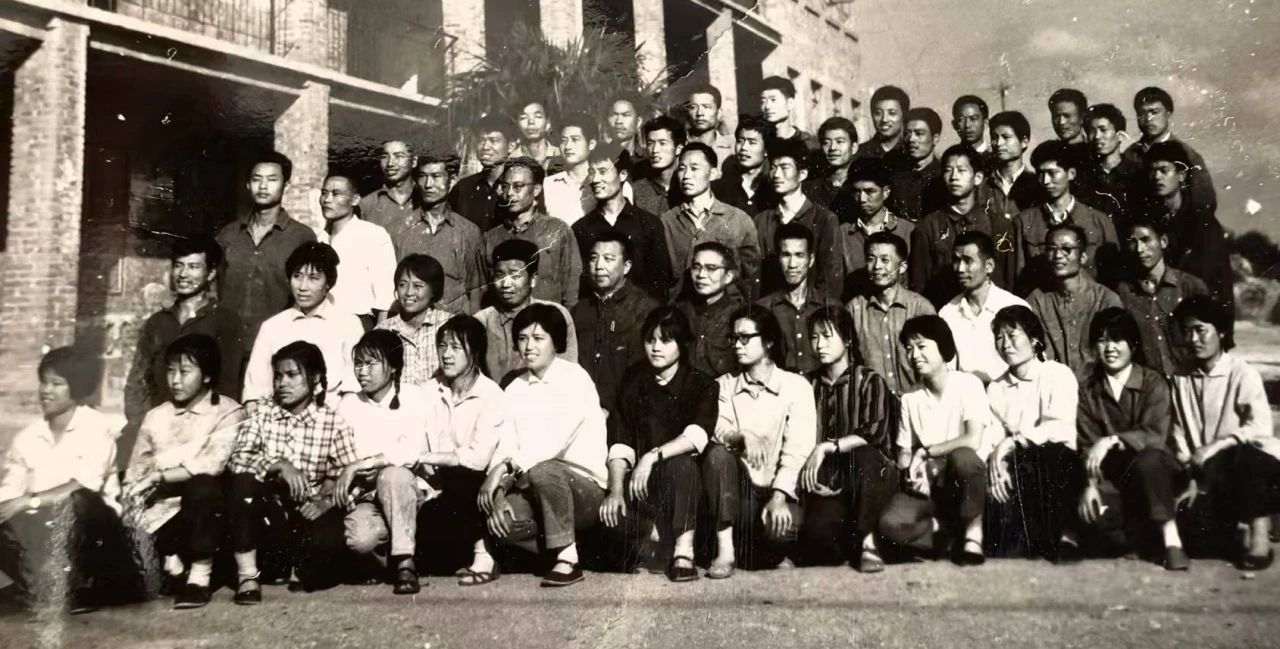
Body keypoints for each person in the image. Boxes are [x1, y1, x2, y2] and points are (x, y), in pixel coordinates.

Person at [480, 304, 609, 588]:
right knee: (501, 523)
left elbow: (551, 442)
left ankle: (567, 558)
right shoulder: (514, 388)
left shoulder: (575, 378)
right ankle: (568, 544)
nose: (529, 346)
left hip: (582, 490)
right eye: (523, 338)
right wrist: (499, 491)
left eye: (538, 338)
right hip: (533, 489)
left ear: (556, 342)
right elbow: (505, 445)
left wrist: (503, 468)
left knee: (544, 470)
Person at [225, 341, 360, 602]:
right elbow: (238, 459)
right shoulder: (263, 412)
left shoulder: (332, 422)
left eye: (292, 375)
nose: (282, 383)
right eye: (278, 376)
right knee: (243, 485)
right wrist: (279, 465)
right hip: (268, 511)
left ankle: (296, 565)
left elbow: (349, 476)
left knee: (319, 561)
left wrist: (326, 501)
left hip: (307, 510)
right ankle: (248, 576)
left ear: (315, 378)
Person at [0, 348, 133, 613]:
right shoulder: (27, 437)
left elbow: (84, 485)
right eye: (43, 382)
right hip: (43, 532)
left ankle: (87, 584)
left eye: (56, 384)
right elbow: (10, 490)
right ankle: (41, 585)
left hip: (96, 533)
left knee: (80, 501)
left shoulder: (96, 427)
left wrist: (28, 501)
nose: (46, 391)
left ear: (77, 387)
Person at [123, 335, 246, 609]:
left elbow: (212, 464)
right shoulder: (156, 416)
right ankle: (171, 565)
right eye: (170, 371)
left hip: (206, 512)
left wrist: (158, 476)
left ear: (207, 375)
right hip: (161, 514)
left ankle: (199, 578)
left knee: (203, 486)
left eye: (184, 371)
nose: (175, 380)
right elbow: (137, 470)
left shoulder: (228, 412)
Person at [599, 307, 718, 582]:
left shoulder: (701, 384)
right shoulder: (634, 380)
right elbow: (620, 440)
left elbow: (696, 436)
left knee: (681, 464)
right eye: (650, 340)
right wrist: (615, 491)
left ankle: (683, 552)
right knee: (607, 524)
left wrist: (651, 457)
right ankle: (655, 535)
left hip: (686, 489)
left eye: (666, 340)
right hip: (642, 487)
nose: (655, 348)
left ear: (682, 344)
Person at [702, 306, 816, 578]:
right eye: (734, 338)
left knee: (783, 529)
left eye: (745, 337)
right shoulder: (724, 385)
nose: (737, 345)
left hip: (778, 491)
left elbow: (798, 449)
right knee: (717, 454)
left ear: (768, 341)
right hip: (737, 495)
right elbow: (716, 427)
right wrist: (741, 435)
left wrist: (779, 497)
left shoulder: (796, 386)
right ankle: (726, 551)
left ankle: (766, 550)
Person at [1169, 296, 1280, 570]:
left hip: (1246, 466)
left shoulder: (1242, 373)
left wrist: (1217, 446)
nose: (1193, 339)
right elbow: (1178, 430)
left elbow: (1260, 428)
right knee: (1197, 543)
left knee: (1246, 456)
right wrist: (1189, 472)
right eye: (1187, 331)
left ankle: (1260, 530)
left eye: (1201, 330)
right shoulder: (1181, 377)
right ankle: (1233, 524)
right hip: (1206, 473)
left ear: (1220, 332)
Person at [1076, 307, 1189, 570]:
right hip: (1114, 477)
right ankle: (1139, 535)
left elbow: (1155, 434)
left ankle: (1171, 538)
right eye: (1102, 341)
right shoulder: (1088, 389)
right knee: (1097, 521)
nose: (1110, 348)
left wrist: (1112, 440)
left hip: (1158, 472)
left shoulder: (1153, 382)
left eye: (1117, 340)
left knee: (1149, 461)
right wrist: (1089, 485)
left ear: (1133, 345)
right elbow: (1087, 443)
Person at [878, 316, 991, 566]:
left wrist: (926, 452)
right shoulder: (910, 397)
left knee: (964, 458)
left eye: (921, 346)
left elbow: (973, 439)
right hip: (930, 482)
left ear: (943, 347)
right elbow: (905, 451)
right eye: (909, 349)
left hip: (964, 479)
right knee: (890, 525)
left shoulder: (968, 384)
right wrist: (911, 474)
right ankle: (945, 531)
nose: (914, 355)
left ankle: (973, 533)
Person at [799, 306, 899, 572]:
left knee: (864, 455)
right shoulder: (808, 384)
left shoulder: (869, 380)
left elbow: (874, 432)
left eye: (827, 336)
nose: (820, 344)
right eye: (814, 337)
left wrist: (828, 447)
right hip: (828, 477)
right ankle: (848, 539)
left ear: (848, 340)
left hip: (869, 474)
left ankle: (868, 544)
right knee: (818, 538)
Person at [335, 330, 433, 594]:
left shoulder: (413, 396)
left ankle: (405, 563)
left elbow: (412, 450)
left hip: (406, 491)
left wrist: (363, 464)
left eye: (371, 364)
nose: (362, 371)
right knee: (360, 540)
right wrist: (356, 474)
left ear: (393, 367)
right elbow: (342, 454)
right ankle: (390, 560)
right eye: (358, 364)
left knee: (393, 474)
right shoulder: (349, 404)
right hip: (366, 495)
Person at [983, 306, 1083, 563]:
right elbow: (993, 437)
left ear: (1035, 340)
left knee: (1052, 454)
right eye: (999, 337)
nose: (1005, 344)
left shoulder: (1057, 374)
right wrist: (996, 465)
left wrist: (1013, 442)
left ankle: (1067, 537)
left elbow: (1059, 428)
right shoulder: (996, 388)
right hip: (1020, 465)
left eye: (1012, 336)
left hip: (1057, 464)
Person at [124, 236, 244, 434]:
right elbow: (137, 381)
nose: (183, 274)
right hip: (157, 428)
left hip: (203, 430)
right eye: (178, 265)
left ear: (211, 273)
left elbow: (228, 385)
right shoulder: (157, 323)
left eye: (193, 267)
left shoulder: (226, 322)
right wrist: (141, 425)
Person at [421, 315, 508, 585]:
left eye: (456, 347)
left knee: (464, 473)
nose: (446, 354)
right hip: (437, 489)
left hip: (476, 487)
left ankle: (485, 556)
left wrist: (429, 457)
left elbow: (478, 458)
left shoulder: (491, 394)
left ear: (475, 351)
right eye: (442, 346)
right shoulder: (428, 391)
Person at [242, 242, 363, 412]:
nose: (302, 287)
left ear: (328, 283)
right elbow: (255, 391)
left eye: (313, 278)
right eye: (297, 276)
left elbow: (353, 387)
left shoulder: (348, 324)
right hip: (280, 416)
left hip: (332, 415)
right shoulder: (272, 327)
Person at [215, 151, 317, 352]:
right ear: (247, 185)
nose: (263, 186)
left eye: (272, 179)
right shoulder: (228, 235)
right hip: (227, 345)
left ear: (286, 185)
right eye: (256, 179)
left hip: (278, 345)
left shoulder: (301, 237)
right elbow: (214, 286)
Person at [910, 145, 1015, 307]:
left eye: (961, 170)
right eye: (948, 170)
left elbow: (1008, 279)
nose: (954, 177)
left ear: (977, 178)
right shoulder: (928, 226)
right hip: (943, 311)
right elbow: (920, 283)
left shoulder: (998, 224)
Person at [1014, 140, 1120, 293]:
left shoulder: (1099, 221)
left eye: (1052, 173)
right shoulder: (1024, 221)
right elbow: (1019, 275)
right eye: (1040, 174)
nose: (1045, 181)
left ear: (1071, 174)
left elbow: (1113, 279)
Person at [571, 231, 660, 414]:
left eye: (608, 259)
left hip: (626, 413)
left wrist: (612, 411)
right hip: (582, 410)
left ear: (626, 266)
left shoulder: (645, 309)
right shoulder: (580, 310)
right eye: (593, 258)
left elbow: (644, 372)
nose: (599, 266)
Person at [1140, 141, 1234, 312]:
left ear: (1181, 175)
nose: (1157, 176)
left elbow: (1218, 282)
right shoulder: (1146, 222)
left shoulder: (1204, 224)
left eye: (1164, 170)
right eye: (1152, 171)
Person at [573, 143, 673, 300]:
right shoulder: (581, 228)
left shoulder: (649, 224)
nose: (595, 179)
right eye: (592, 172)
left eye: (603, 171)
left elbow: (659, 285)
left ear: (622, 175)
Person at [662, 143, 761, 296]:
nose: (686, 176)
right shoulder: (666, 222)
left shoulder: (738, 220)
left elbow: (751, 278)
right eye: (682, 169)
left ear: (713, 173)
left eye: (694, 168)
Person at [1114, 216, 1209, 377]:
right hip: (1149, 385)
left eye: (1145, 240)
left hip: (1190, 380)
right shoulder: (1123, 293)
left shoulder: (1191, 287)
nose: (1139, 249)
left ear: (1163, 241)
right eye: (1132, 242)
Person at [473, 239, 578, 383]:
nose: (506, 284)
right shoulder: (481, 321)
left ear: (533, 279)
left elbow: (568, 371)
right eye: (499, 275)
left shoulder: (556, 314)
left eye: (515, 276)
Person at [484, 156, 583, 308]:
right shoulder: (490, 238)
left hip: (548, 321)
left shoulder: (558, 231)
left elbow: (572, 292)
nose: (509, 193)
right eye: (505, 186)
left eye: (518, 186)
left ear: (536, 189)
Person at [1026, 224, 1123, 377]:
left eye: (1066, 249)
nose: (1058, 255)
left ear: (1083, 257)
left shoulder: (1106, 300)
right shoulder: (1036, 301)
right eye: (1051, 249)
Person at [394, 153, 486, 314]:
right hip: (410, 321)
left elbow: (476, 290)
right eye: (423, 176)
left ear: (453, 179)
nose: (428, 184)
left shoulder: (468, 231)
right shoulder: (400, 229)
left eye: (436, 176)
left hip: (453, 323)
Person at [847, 232, 936, 395]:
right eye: (871, 259)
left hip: (915, 401)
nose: (877, 266)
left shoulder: (920, 308)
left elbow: (934, 364)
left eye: (885, 260)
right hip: (872, 405)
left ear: (902, 267)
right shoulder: (854, 310)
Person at [755, 138, 844, 301]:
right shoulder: (762, 220)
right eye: (773, 167)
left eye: (784, 167)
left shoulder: (825, 219)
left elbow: (831, 278)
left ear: (802, 174)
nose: (776, 175)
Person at [938, 231, 1029, 383]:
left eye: (968, 261)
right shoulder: (947, 313)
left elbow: (1030, 367)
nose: (960, 269)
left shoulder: (1016, 307)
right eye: (956, 260)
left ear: (989, 266)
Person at [755, 223, 841, 374]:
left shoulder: (830, 307)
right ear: (778, 258)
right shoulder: (763, 309)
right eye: (786, 255)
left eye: (799, 255)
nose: (792, 264)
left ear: (811, 260)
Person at [316, 173, 396, 328]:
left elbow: (386, 295)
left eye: (336, 194)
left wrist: (378, 335)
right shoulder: (318, 238)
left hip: (358, 325)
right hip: (320, 324)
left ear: (355, 200)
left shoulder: (373, 235)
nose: (327, 200)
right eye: (324, 193)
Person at [1124, 87, 1217, 216]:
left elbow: (1205, 203)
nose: (1148, 118)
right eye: (1142, 113)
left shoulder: (1188, 156)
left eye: (1154, 112)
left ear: (1168, 114)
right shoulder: (1130, 154)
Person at [836, 159, 915, 299]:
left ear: (886, 192)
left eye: (870, 191)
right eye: (857, 192)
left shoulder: (908, 230)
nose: (862, 199)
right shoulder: (842, 233)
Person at [375, 254, 456, 386]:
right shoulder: (382, 331)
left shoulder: (451, 325)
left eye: (417, 286)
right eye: (402, 285)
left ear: (434, 291)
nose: (408, 292)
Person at [675, 242, 749, 378]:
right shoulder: (680, 311)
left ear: (728, 276)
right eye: (696, 267)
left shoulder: (739, 316)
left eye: (711, 268)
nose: (701, 274)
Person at [1076, 103, 1143, 231]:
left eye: (1103, 130)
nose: (1097, 136)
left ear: (1120, 135)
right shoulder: (1082, 176)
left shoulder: (1138, 174)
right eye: (1092, 131)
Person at [450, 114, 518, 232]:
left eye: (493, 141)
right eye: (481, 140)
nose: (485, 146)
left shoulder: (518, 188)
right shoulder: (463, 187)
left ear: (511, 146)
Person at [885, 107, 946, 223]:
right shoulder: (893, 175)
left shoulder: (943, 176)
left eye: (919, 133)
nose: (911, 139)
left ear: (935, 138)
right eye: (907, 133)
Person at [712, 115, 780, 216]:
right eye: (740, 141)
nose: (744, 147)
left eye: (752, 142)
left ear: (766, 150)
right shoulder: (719, 188)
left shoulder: (776, 186)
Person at [983, 111, 1040, 225]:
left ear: (1024, 142)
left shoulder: (1037, 185)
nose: (999, 143)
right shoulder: (983, 186)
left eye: (1006, 137)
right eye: (994, 137)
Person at [542, 112, 599, 226]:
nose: (568, 146)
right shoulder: (547, 185)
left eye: (575, 140)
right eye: (563, 140)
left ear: (591, 144)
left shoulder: (606, 182)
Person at [359, 141, 420, 232]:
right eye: (385, 157)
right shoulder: (367, 204)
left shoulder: (429, 198)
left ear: (414, 161)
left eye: (398, 156)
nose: (390, 163)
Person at [631, 115, 686, 217]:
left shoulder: (690, 187)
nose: (655, 150)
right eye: (650, 143)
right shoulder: (636, 191)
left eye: (662, 143)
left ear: (678, 149)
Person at [804, 117, 859, 212]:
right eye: (826, 143)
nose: (832, 148)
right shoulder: (810, 189)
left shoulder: (862, 185)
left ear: (853, 147)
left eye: (839, 141)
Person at [759, 75, 818, 151]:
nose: (767, 106)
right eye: (763, 101)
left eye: (773, 100)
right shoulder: (757, 141)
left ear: (790, 103)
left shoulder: (807, 143)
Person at [685, 83, 736, 168]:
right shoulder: (678, 146)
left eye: (706, 107)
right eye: (693, 107)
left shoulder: (732, 148)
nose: (699, 113)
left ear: (719, 113)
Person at [854, 85, 910, 162]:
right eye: (878, 113)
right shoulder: (857, 155)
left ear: (904, 115)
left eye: (892, 113)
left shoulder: (912, 153)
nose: (884, 119)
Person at [510, 99, 562, 168]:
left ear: (548, 124)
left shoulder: (561, 156)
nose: (531, 122)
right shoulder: (511, 162)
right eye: (523, 117)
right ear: (517, 125)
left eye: (538, 116)